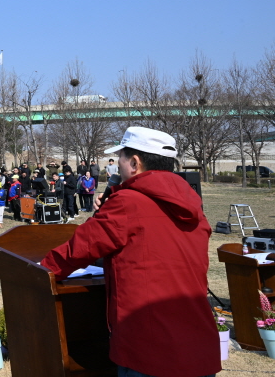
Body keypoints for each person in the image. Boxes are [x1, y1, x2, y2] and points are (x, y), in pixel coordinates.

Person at [41, 127, 219, 377]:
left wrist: (39, 271)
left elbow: (80, 248)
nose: (116, 166)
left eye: (120, 158)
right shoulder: (191, 203)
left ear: (135, 163)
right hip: (197, 342)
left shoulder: (128, 202)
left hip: (149, 346)